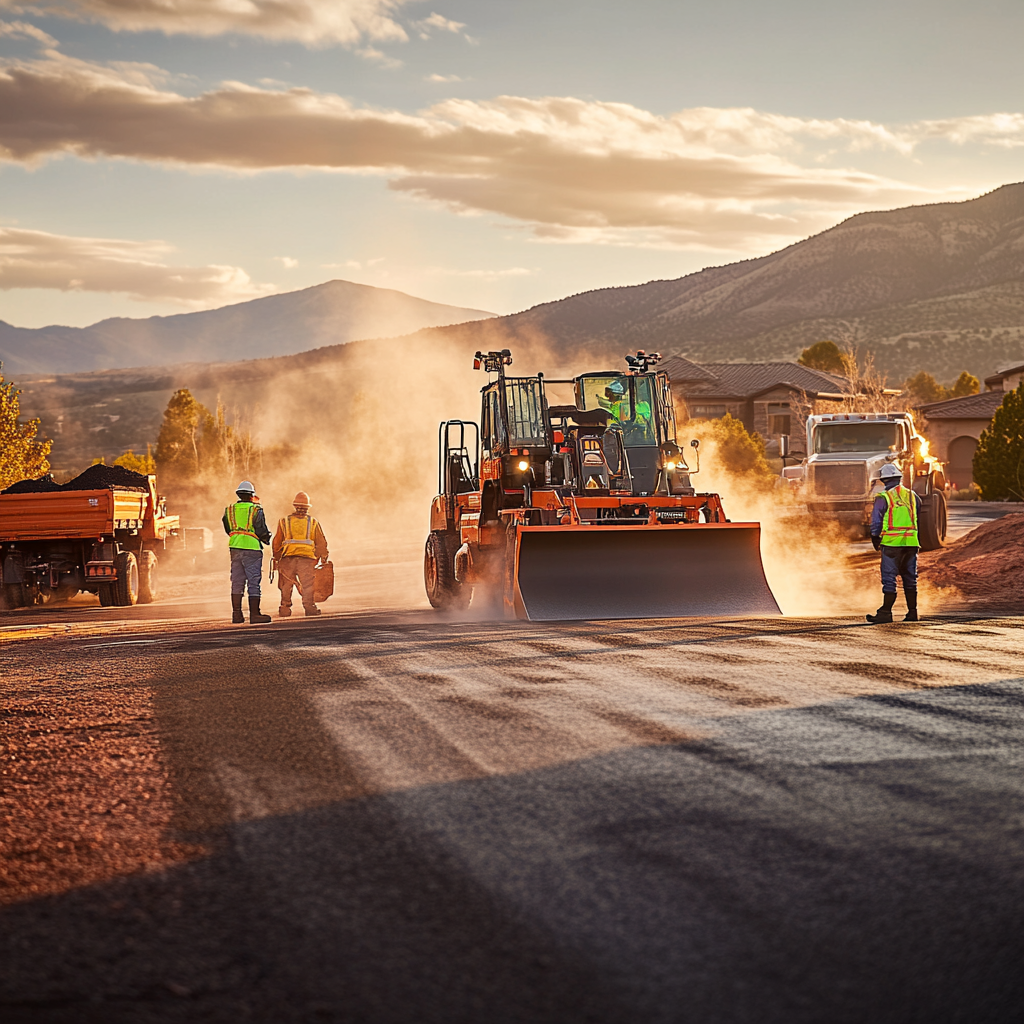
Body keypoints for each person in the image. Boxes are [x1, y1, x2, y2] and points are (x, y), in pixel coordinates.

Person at [866, 463, 923, 624]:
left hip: (891, 543)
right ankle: (912, 612)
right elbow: (917, 514)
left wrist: (875, 537)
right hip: (911, 543)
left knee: (889, 578)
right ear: (899, 478)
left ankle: (886, 612)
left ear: (884, 480)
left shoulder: (883, 497)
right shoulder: (913, 496)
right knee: (910, 578)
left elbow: (876, 522)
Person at [272, 491, 329, 617]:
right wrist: (323, 556)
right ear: (307, 507)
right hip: (306, 559)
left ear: (295, 506)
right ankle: (310, 608)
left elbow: (277, 542)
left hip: (288, 559)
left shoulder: (284, 521)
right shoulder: (312, 522)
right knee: (308, 584)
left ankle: (285, 608)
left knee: (286, 584)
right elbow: (321, 541)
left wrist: (276, 557)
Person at [222, 480, 272, 624]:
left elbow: (228, 528)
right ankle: (255, 614)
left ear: (239, 494)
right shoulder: (256, 509)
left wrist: (237, 537)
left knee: (237, 581)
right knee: (253, 581)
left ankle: (236, 615)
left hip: (235, 547)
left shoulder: (229, 509)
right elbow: (261, 529)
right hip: (252, 548)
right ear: (252, 495)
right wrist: (266, 539)